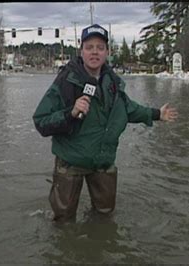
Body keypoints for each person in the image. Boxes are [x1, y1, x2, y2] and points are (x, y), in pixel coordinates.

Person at [32, 24, 178, 223]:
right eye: (89, 47)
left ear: (107, 52)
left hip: (103, 160)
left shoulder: (113, 83)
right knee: (63, 223)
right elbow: (41, 121)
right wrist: (71, 113)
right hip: (70, 161)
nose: (95, 52)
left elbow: (128, 108)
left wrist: (157, 114)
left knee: (105, 217)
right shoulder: (65, 81)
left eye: (100, 47)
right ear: (81, 50)